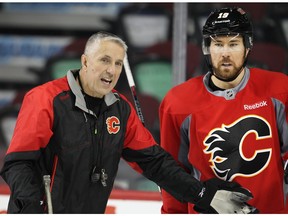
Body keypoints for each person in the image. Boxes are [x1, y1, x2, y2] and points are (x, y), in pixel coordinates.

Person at [0, 31, 257, 214]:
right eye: (104, 60)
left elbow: (154, 163)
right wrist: (32, 208)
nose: (111, 70)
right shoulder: (46, 99)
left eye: (118, 64)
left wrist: (201, 194)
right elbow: (18, 164)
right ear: (85, 62)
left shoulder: (120, 109)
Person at [159, 6, 288, 214]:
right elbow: (172, 176)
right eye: (218, 44)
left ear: (247, 47)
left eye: (234, 44)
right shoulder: (178, 103)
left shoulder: (280, 90)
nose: (225, 53)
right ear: (207, 48)